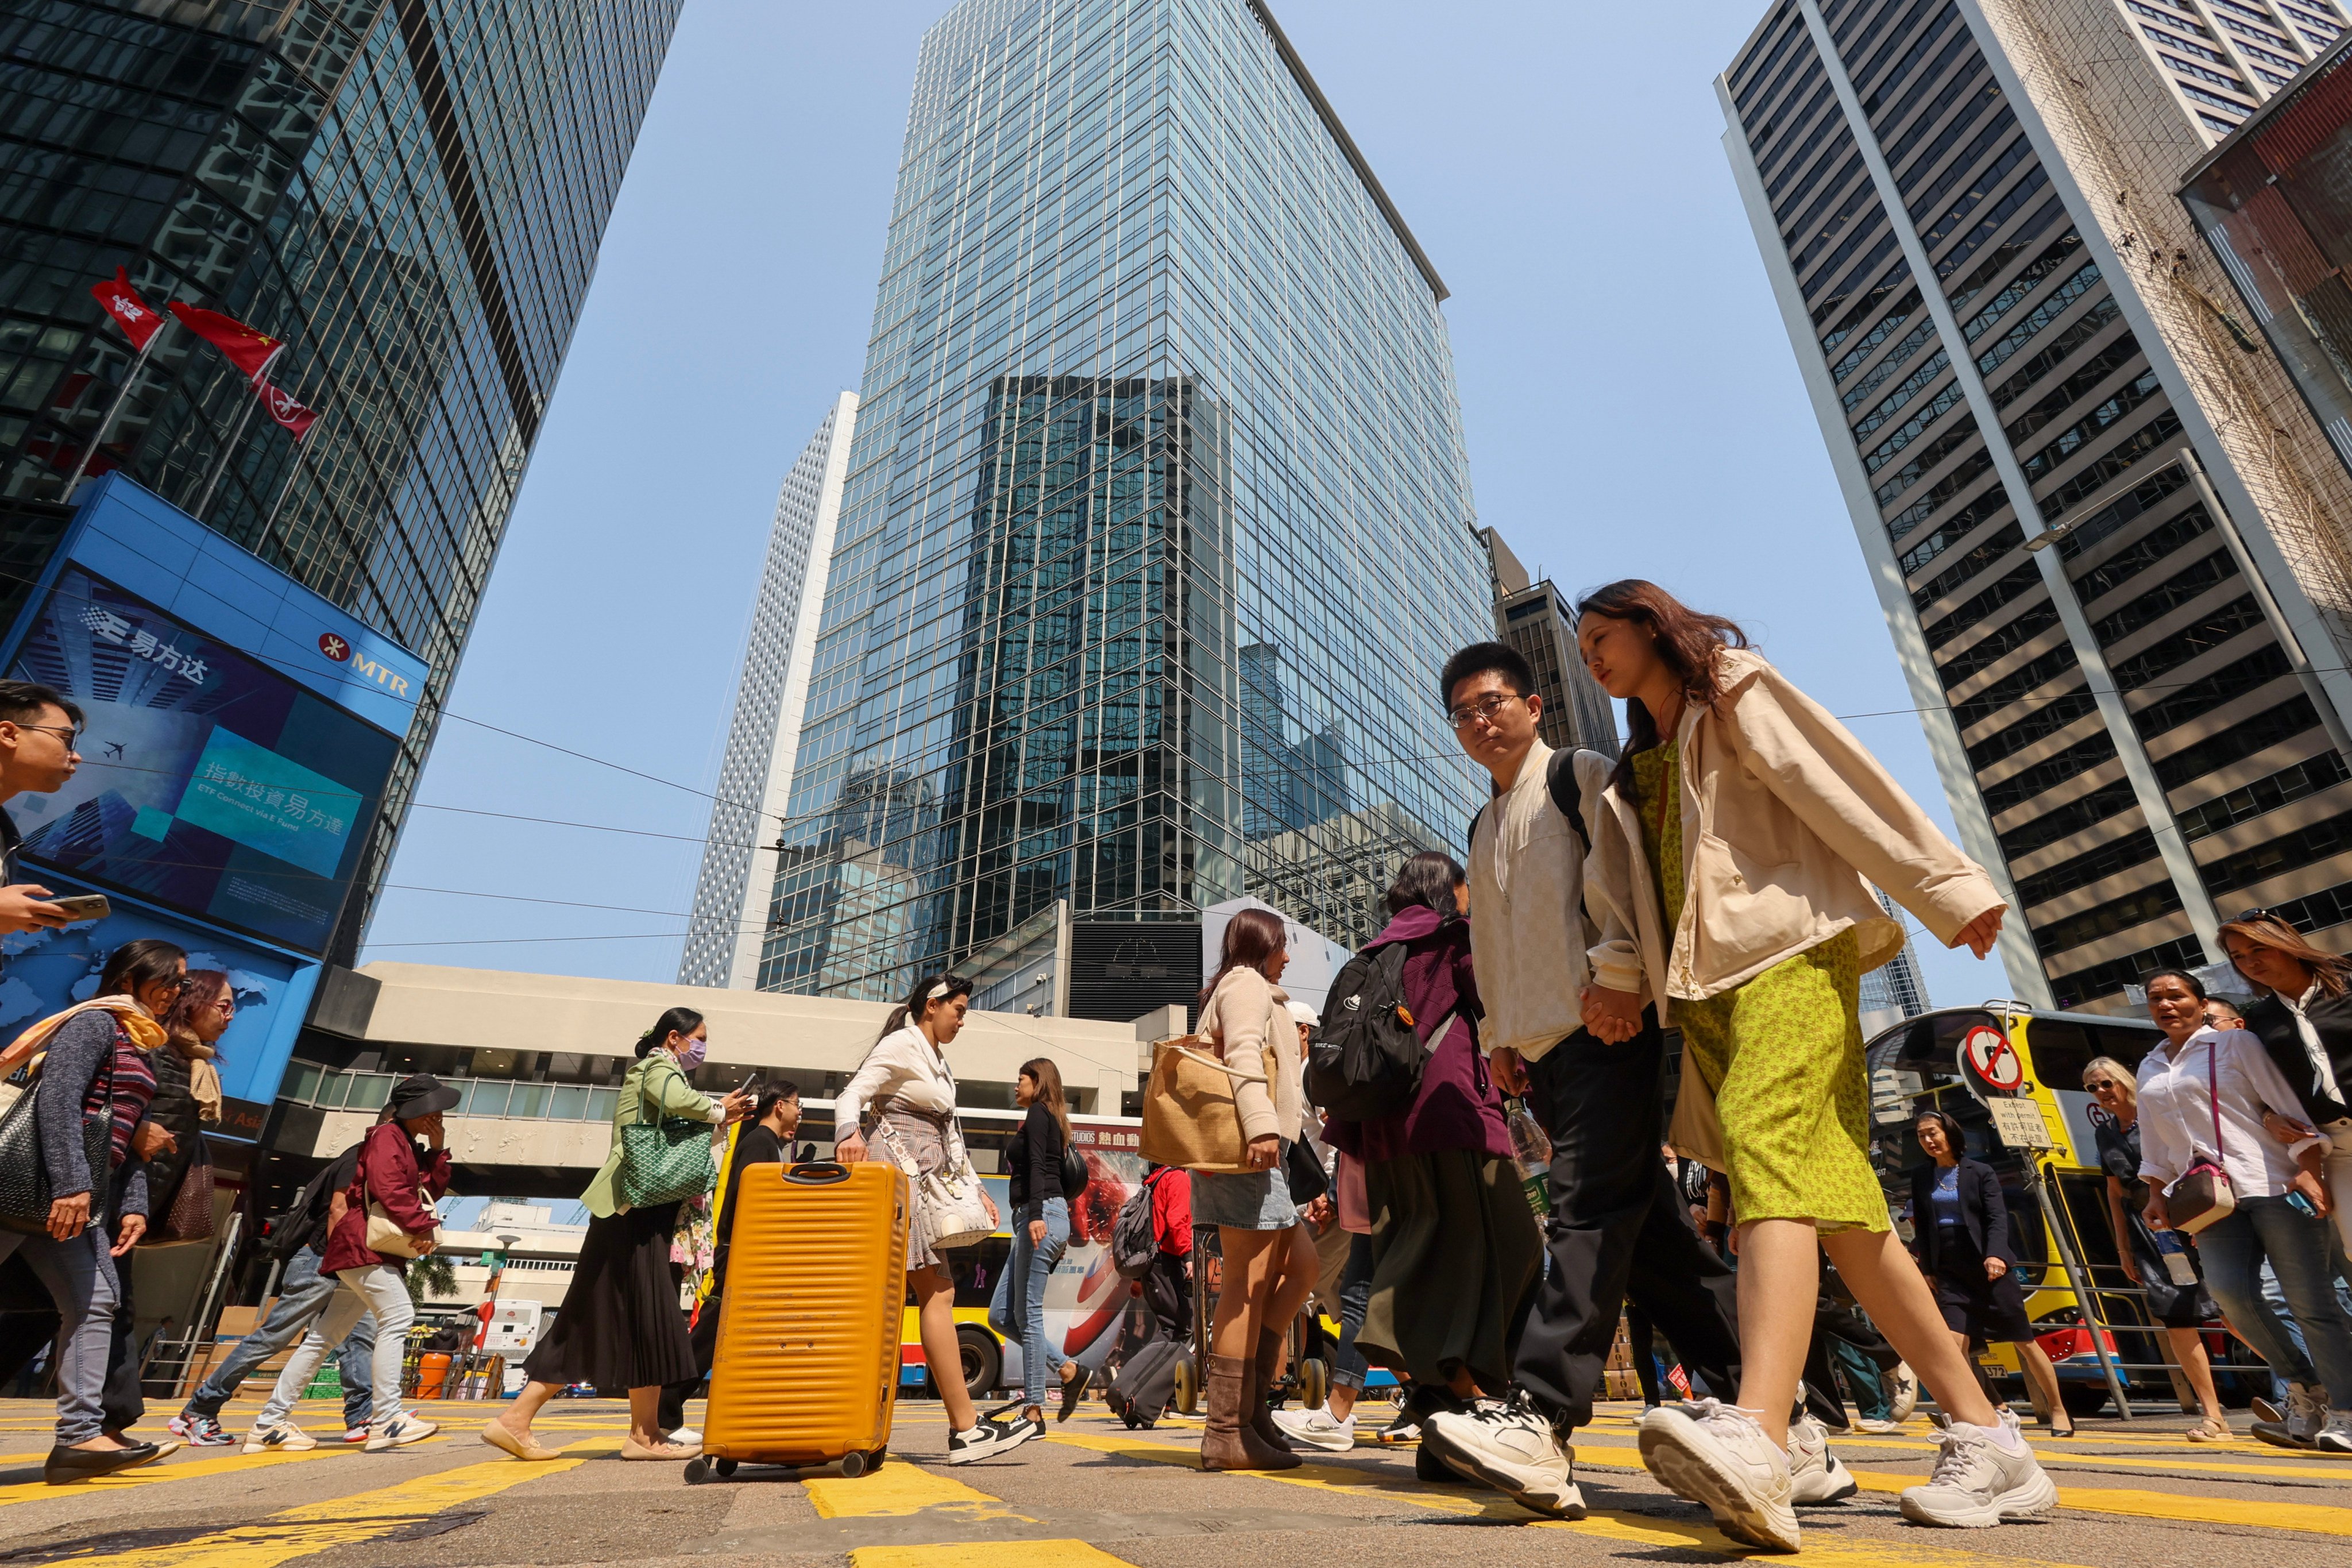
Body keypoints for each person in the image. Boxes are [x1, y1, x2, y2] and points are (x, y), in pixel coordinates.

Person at [1567, 582, 2050, 1550]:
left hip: (1790, 953)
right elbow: (1625, 893)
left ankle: (1761, 1429)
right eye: (1581, 647)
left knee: (1768, 1150)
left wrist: (1944, 885)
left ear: (1656, 628)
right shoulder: (1636, 763)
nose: (1592, 657)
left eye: (1603, 636)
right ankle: (1989, 1437)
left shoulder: (1732, 687)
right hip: (1704, 995)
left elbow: (1836, 778)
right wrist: (1619, 976)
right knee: (1847, 1215)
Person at [1417, 640, 1741, 1522]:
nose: (1479, 721)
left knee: (1586, 1211)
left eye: (1491, 703)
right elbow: (1490, 945)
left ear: (1529, 704)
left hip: (1607, 1023)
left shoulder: (1577, 773)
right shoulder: (1482, 824)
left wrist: (1619, 976)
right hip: (1543, 1048)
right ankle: (1779, 1411)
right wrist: (1496, 1038)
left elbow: (1619, 886)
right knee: (1654, 1243)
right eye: (1462, 712)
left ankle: (1543, 1413)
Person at [1324, 853, 1540, 1428]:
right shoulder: (1453, 938)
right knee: (1510, 1245)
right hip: (1452, 1118)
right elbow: (1496, 1005)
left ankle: (1436, 1402)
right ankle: (1436, 1364)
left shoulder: (1371, 954)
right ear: (1449, 890)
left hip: (1383, 1133)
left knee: (1423, 1252)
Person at [485, 1009, 748, 1462]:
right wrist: (717, 1109)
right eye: (699, 1039)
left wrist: (718, 1118)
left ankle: (637, 1434)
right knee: (623, 1318)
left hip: (642, 1217)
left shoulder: (667, 1078)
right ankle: (541, 1423)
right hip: (632, 1215)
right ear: (674, 1038)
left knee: (628, 1321)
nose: (703, 1048)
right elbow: (679, 1102)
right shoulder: (654, 1068)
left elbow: (680, 1135)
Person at [2136, 968, 2352, 1453]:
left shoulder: (2235, 1046)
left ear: (2199, 999)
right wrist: (2154, 1192)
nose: (2166, 1005)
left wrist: (2308, 1168)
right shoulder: (2150, 1065)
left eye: (2176, 996)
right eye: (2156, 999)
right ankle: (2305, 1390)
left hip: (2272, 1182)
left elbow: (2286, 1108)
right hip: (2207, 1198)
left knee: (2310, 1303)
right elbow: (2154, 1142)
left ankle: (2346, 1409)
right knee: (2232, 1298)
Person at [0, 937, 184, 1482]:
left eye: (183, 983)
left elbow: (119, 1131)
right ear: (129, 979)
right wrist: (71, 1185)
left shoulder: (138, 1039)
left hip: (68, 1201)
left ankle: (80, 1438)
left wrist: (132, 1203)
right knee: (95, 1301)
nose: (177, 992)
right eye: (170, 979)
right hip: (34, 1189)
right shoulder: (97, 1023)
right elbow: (58, 1099)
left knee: (96, 1301)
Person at [833, 975, 1014, 1463]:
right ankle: (962, 1428)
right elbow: (849, 1096)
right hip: (898, 1176)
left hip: (922, 1179)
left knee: (906, 1296)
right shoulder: (900, 1044)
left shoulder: (936, 1059)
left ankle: (876, 1425)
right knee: (932, 1292)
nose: (962, 1019)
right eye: (958, 1009)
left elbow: (950, 1134)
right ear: (931, 1006)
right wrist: (847, 1134)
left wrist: (976, 1186)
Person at [249, 1073, 453, 1455]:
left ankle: (269, 1424)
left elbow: (425, 1188)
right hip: (364, 1249)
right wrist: (421, 1226)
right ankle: (388, 1418)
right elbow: (390, 1188)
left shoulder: (404, 1143)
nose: (438, 1115)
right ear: (417, 1108)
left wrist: (437, 1149)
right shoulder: (386, 1137)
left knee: (324, 1337)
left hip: (361, 1251)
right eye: (434, 1107)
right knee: (397, 1318)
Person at [1186, 907, 1318, 1472]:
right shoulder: (1244, 986)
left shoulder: (1253, 989)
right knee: (1244, 1282)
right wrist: (1261, 1126)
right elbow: (1241, 1052)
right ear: (1261, 946)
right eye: (1282, 945)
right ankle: (1226, 1430)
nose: (1287, 957)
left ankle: (1251, 1413)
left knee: (1301, 1267)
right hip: (1246, 1149)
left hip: (1264, 1152)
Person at [172, 1135, 377, 1446]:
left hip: (342, 1262)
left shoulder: (375, 1159)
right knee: (273, 1337)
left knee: (357, 1337)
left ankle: (362, 1417)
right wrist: (341, 1260)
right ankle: (198, 1410)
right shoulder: (359, 1156)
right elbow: (339, 1209)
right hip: (322, 1260)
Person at [99, 969, 232, 1436]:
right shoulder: (159, 1053)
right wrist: (131, 1209)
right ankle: (106, 1427)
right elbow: (146, 1148)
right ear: (190, 1003)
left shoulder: (192, 1063)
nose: (230, 1016)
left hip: (117, 1211)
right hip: (104, 1208)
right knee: (110, 1311)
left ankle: (105, 1428)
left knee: (82, 1310)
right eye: (223, 1005)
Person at [2081, 1055, 2231, 1440]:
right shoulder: (2104, 1134)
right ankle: (2212, 1416)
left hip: (2185, 1216)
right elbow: (2115, 1193)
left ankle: (2310, 1388)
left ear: (2123, 1081)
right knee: (2176, 1318)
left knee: (2233, 1309)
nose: (2100, 1093)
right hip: (2147, 1230)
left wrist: (2201, 1222)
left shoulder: (2157, 1114)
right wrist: (2123, 1248)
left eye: (2105, 1084)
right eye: (2091, 1088)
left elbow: (2193, 1164)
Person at [1906, 1109, 2073, 1438]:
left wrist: (1996, 1254)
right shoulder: (1921, 1176)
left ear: (1949, 1133)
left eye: (1933, 1133)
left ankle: (2058, 1410)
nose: (1928, 1140)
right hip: (1949, 1269)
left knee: (2024, 1342)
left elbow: (1998, 1217)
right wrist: (1927, 1269)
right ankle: (1991, 1409)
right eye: (1922, 1136)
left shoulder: (1980, 1172)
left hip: (1988, 1266)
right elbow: (1923, 1227)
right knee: (1954, 1347)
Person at [659, 1079, 799, 1443]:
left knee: (728, 1335)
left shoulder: (767, 1145)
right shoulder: (759, 1143)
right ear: (780, 1106)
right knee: (710, 1333)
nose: (800, 1114)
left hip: (749, 1252)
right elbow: (753, 1202)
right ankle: (665, 1411)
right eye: (798, 1105)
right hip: (742, 1253)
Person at [2222, 912, 2352, 1254]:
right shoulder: (2258, 1020)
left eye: (2258, 949)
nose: (2250, 962)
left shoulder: (2347, 984)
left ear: (2285, 944)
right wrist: (2268, 1117)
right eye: (2238, 957)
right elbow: (2262, 1091)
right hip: (2339, 1150)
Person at [989, 1057, 1076, 1433]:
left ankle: (1034, 1409)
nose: (1015, 1086)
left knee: (1029, 1314)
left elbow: (1039, 1165)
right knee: (1000, 1316)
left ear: (1037, 1082)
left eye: (1020, 1079)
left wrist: (1038, 1214)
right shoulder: (1043, 1116)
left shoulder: (1040, 1114)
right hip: (1029, 1216)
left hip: (1040, 1215)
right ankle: (1068, 1368)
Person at [1277, 1150, 1372, 1452]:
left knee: (1289, 1290)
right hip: (1360, 1188)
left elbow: (1348, 1128)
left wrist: (1332, 1196)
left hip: (1350, 1191)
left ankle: (1270, 1401)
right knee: (1362, 1301)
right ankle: (1426, 1398)